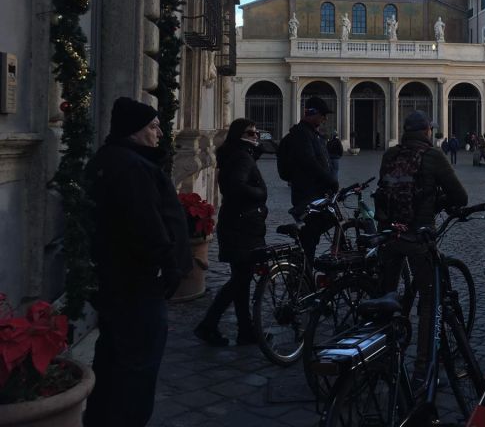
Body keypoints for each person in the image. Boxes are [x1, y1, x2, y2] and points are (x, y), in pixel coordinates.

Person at [83, 97, 191, 427]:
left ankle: (102, 418)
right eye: (153, 127)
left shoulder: (109, 159)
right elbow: (146, 225)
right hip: (138, 284)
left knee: (114, 359)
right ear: (134, 131)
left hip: (118, 279)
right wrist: (168, 268)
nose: (160, 133)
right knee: (137, 370)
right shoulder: (132, 167)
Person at [377, 110, 468, 389]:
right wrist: (439, 202)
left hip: (390, 235)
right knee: (430, 303)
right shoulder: (433, 156)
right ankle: (422, 370)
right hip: (418, 236)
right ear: (428, 131)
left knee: (384, 298)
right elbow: (460, 195)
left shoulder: (390, 155)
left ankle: (379, 358)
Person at [195, 119, 267, 347]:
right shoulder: (241, 157)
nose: (255, 135)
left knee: (242, 279)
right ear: (239, 134)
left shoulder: (237, 154)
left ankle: (245, 330)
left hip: (237, 222)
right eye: (250, 132)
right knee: (240, 279)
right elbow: (236, 186)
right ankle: (209, 324)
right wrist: (260, 193)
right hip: (242, 225)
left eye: (257, 132)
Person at [278, 96, 338, 266]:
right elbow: (310, 162)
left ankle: (304, 270)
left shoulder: (312, 134)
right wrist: (330, 180)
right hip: (308, 194)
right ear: (312, 113)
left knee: (314, 233)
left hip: (315, 192)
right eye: (323, 115)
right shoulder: (302, 134)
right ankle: (302, 274)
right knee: (309, 237)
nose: (325, 119)